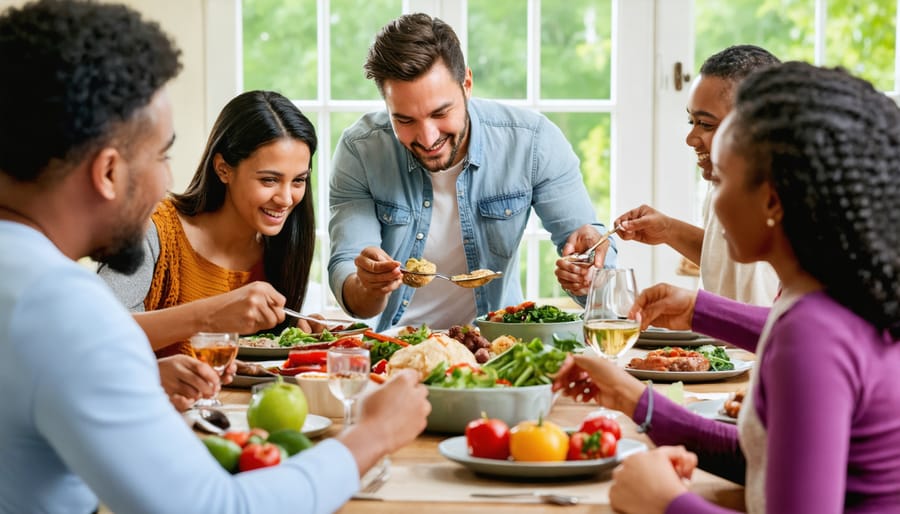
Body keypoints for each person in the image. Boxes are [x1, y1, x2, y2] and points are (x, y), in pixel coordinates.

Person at [0, 2, 430, 513]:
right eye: (161, 155)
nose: (166, 179)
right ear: (109, 172)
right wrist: (375, 434)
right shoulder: (62, 309)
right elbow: (215, 509)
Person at [555, 63, 900, 513]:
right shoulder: (836, 296)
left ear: (772, 200)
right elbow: (770, 464)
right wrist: (635, 400)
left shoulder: (812, 333)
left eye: (720, 180)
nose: (713, 201)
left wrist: (665, 503)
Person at [328, 12, 616, 331]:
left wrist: (587, 273)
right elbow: (351, 288)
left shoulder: (532, 142)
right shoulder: (361, 150)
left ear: (466, 83)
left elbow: (598, 271)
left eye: (441, 113)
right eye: (405, 120)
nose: (427, 138)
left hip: (495, 352)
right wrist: (369, 285)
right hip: (393, 351)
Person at [99, 90, 325, 358]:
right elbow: (99, 331)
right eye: (269, 180)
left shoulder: (282, 246)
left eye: (298, 181)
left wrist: (293, 333)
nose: (286, 199)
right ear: (223, 169)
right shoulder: (153, 230)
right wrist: (212, 314)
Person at [613, 45, 780, 306]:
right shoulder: (721, 183)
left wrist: (696, 311)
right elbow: (727, 259)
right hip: (723, 345)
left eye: (706, 124)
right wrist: (668, 230)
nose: (691, 139)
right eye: (692, 122)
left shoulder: (786, 195)